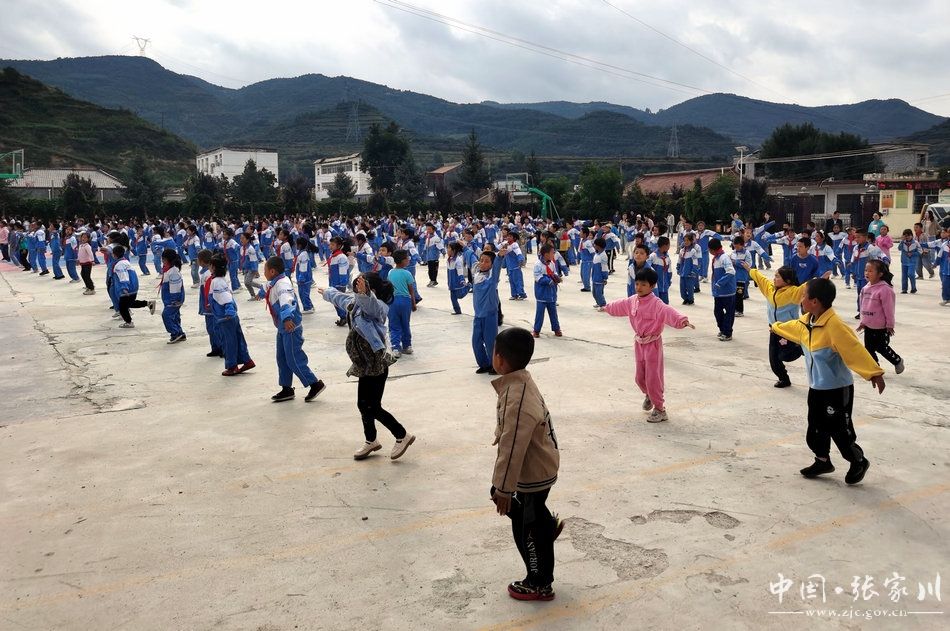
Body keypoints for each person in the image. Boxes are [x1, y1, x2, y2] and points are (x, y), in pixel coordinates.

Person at [770, 278, 884, 485]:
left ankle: (858, 461)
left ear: (815, 301)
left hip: (837, 389)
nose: (801, 299)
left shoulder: (835, 327)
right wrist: (776, 327)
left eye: (804, 296)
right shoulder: (806, 322)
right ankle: (822, 461)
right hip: (817, 387)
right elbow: (791, 327)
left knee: (839, 430)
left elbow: (854, 350)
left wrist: (874, 373)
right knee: (815, 426)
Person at [489, 327, 561, 602]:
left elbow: (512, 447)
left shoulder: (517, 396)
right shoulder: (519, 381)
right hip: (539, 465)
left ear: (499, 359)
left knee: (527, 527)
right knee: (526, 514)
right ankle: (545, 526)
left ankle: (539, 583)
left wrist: (503, 489)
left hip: (534, 472)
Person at [320, 272, 415, 461]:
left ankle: (402, 435)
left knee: (372, 406)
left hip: (376, 362)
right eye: (357, 285)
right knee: (363, 404)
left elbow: (372, 308)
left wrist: (366, 293)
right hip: (364, 363)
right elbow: (342, 299)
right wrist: (328, 292)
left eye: (361, 285)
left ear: (372, 288)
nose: (357, 288)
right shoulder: (356, 302)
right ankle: (371, 440)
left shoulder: (379, 306)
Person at [603, 267, 695, 422]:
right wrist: (606, 307)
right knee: (639, 378)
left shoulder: (657, 304)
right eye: (637, 284)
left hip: (653, 344)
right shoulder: (632, 301)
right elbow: (619, 306)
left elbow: (669, 312)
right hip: (639, 343)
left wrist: (682, 321)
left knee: (653, 378)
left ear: (652, 286)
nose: (639, 287)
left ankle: (660, 409)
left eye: (643, 285)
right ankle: (649, 395)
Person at [263, 256, 326, 402]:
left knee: (293, 358)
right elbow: (266, 287)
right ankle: (287, 389)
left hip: (290, 327)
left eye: (265, 270)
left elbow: (287, 302)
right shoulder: (275, 281)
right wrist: (261, 293)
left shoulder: (283, 285)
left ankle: (315, 384)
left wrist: (287, 318)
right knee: (282, 358)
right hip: (282, 327)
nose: (264, 273)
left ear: (272, 271)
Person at [745, 263, 805, 388]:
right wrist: (751, 270)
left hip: (789, 331)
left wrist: (821, 280)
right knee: (774, 359)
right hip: (774, 330)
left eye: (777, 276)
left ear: (787, 281)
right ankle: (784, 379)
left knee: (785, 355)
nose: (774, 278)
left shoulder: (793, 292)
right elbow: (761, 279)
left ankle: (801, 347)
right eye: (775, 275)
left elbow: (807, 287)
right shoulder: (770, 289)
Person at [209, 253, 255, 376]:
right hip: (231, 316)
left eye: (210, 265)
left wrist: (228, 311)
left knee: (228, 342)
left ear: (214, 267)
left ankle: (232, 366)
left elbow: (226, 298)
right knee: (238, 339)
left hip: (225, 317)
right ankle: (247, 361)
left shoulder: (216, 282)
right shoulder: (223, 279)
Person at [857, 260, 904, 374]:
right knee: (868, 349)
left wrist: (890, 325)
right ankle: (874, 368)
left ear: (880, 274)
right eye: (866, 270)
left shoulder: (885, 290)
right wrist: (863, 322)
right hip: (868, 326)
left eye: (870, 271)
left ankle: (897, 361)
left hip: (881, 327)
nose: (867, 273)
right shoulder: (865, 289)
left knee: (882, 347)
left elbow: (889, 309)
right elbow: (863, 307)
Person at [472, 249, 503, 374]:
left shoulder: (492, 279)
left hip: (489, 315)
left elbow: (497, 269)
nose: (483, 263)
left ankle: (494, 366)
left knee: (490, 342)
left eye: (487, 261)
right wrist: (464, 247)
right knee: (476, 342)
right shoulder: (477, 275)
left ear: (492, 264)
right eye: (481, 260)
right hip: (478, 315)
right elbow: (470, 258)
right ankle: (484, 364)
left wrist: (499, 257)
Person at [386, 249, 417, 358]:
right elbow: (411, 290)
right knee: (405, 324)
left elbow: (388, 287)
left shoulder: (390, 272)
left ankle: (395, 347)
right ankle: (407, 346)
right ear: (403, 261)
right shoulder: (407, 273)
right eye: (407, 258)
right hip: (405, 301)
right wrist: (413, 303)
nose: (409, 259)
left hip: (392, 301)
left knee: (394, 325)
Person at [155, 248, 186, 344]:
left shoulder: (173, 272)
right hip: (168, 298)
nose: (162, 261)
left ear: (169, 259)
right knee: (174, 316)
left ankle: (175, 333)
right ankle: (180, 333)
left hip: (173, 299)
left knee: (166, 315)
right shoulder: (168, 269)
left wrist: (174, 300)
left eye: (163, 259)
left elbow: (175, 288)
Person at [112, 245, 147, 328]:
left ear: (114, 255)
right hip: (133, 286)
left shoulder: (119, 265)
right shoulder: (126, 262)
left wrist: (124, 288)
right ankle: (147, 303)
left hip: (127, 288)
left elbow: (123, 276)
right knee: (129, 303)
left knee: (122, 307)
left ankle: (129, 322)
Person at [532, 244, 563, 338]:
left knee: (553, 313)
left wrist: (556, 277)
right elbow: (538, 277)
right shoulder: (538, 264)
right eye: (552, 253)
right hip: (542, 293)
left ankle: (556, 329)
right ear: (546, 254)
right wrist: (548, 281)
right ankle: (536, 330)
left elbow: (554, 272)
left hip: (551, 293)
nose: (553, 254)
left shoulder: (552, 263)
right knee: (540, 314)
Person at [709, 238, 736, 341]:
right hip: (718, 292)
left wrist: (719, 283)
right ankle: (723, 329)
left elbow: (731, 272)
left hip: (728, 292)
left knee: (729, 313)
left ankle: (727, 333)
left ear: (712, 249)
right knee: (718, 312)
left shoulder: (724, 258)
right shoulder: (716, 258)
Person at [197, 249, 222, 358]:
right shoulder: (204, 273)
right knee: (210, 328)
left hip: (210, 305)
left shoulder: (208, 274)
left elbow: (209, 291)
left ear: (202, 261)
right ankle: (215, 348)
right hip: (206, 304)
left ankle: (221, 348)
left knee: (214, 328)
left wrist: (209, 304)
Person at [294, 236, 316, 313]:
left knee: (303, 293)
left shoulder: (303, 255)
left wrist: (301, 278)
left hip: (304, 278)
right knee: (304, 293)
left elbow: (303, 268)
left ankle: (308, 308)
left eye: (296, 244)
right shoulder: (302, 253)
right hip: (304, 277)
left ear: (299, 245)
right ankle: (310, 306)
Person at [677, 233, 700, 305]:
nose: (686, 242)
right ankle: (685, 298)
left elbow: (695, 262)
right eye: (684, 240)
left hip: (689, 273)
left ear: (691, 241)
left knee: (690, 287)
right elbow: (679, 259)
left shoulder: (693, 251)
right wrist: (678, 267)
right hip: (682, 272)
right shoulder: (682, 250)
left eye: (688, 240)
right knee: (682, 287)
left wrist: (693, 271)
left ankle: (690, 299)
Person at [241, 232, 264, 301]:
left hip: (251, 268)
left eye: (243, 238)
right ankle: (253, 295)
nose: (241, 240)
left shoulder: (250, 249)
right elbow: (242, 258)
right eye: (241, 238)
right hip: (246, 268)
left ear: (247, 240)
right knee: (247, 283)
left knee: (247, 282)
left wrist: (255, 269)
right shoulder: (242, 248)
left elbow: (254, 260)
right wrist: (241, 266)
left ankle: (261, 287)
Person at [897, 229, 921, 294]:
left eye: (908, 235)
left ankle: (913, 288)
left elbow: (920, 251)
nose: (907, 237)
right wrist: (902, 241)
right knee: (904, 276)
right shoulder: (903, 242)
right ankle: (904, 289)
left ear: (911, 235)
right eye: (905, 236)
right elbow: (899, 248)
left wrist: (913, 254)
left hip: (912, 262)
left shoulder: (915, 243)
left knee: (911, 274)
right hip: (904, 261)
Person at [591, 237, 609, 311]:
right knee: (594, 293)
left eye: (595, 244)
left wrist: (605, 278)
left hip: (600, 278)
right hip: (594, 277)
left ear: (599, 246)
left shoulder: (603, 255)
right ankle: (598, 302)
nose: (594, 246)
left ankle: (603, 305)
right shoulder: (597, 254)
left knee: (599, 293)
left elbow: (604, 268)